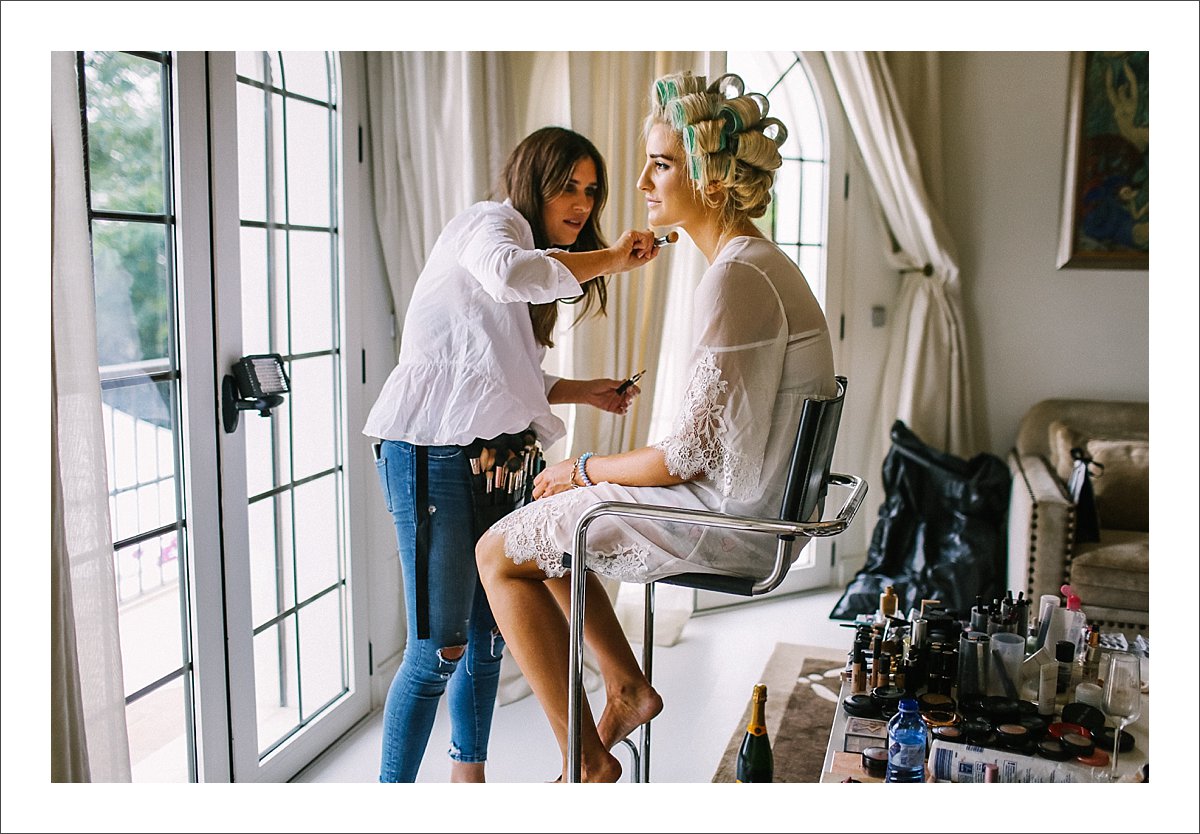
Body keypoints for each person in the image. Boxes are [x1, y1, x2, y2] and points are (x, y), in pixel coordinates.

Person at [477, 72, 837, 782]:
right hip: (755, 503)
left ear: (710, 177)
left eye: (663, 163)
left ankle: (584, 762)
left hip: (735, 521)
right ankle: (627, 689)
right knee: (543, 528)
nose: (640, 179)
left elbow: (685, 457)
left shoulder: (737, 277)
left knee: (496, 552)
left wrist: (582, 469)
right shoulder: (754, 265)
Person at [364, 126, 660, 783]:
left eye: (592, 190)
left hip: (497, 454)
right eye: (568, 186)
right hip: (431, 449)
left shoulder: (534, 263)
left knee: (488, 640)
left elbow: (495, 371)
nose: (582, 203)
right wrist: (611, 258)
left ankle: (470, 782)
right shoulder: (489, 223)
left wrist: (585, 390)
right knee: (439, 646)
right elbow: (507, 276)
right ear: (532, 180)